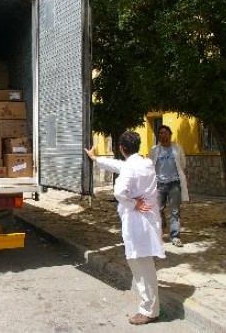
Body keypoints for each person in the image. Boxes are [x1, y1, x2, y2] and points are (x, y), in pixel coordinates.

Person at [85, 132, 165, 325]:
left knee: (141, 266)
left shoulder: (131, 167)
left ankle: (149, 310)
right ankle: (151, 306)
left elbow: (119, 192)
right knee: (144, 265)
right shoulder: (145, 163)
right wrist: (96, 159)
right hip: (148, 221)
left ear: (122, 148)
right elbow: (120, 166)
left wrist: (132, 203)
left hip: (138, 223)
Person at [149, 125, 189, 247]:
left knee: (175, 211)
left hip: (174, 184)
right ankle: (158, 232)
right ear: (158, 136)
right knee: (157, 210)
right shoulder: (154, 150)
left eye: (165, 132)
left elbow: (183, 163)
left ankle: (175, 236)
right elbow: (150, 165)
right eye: (161, 133)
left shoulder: (177, 148)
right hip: (159, 184)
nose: (163, 135)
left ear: (170, 134)